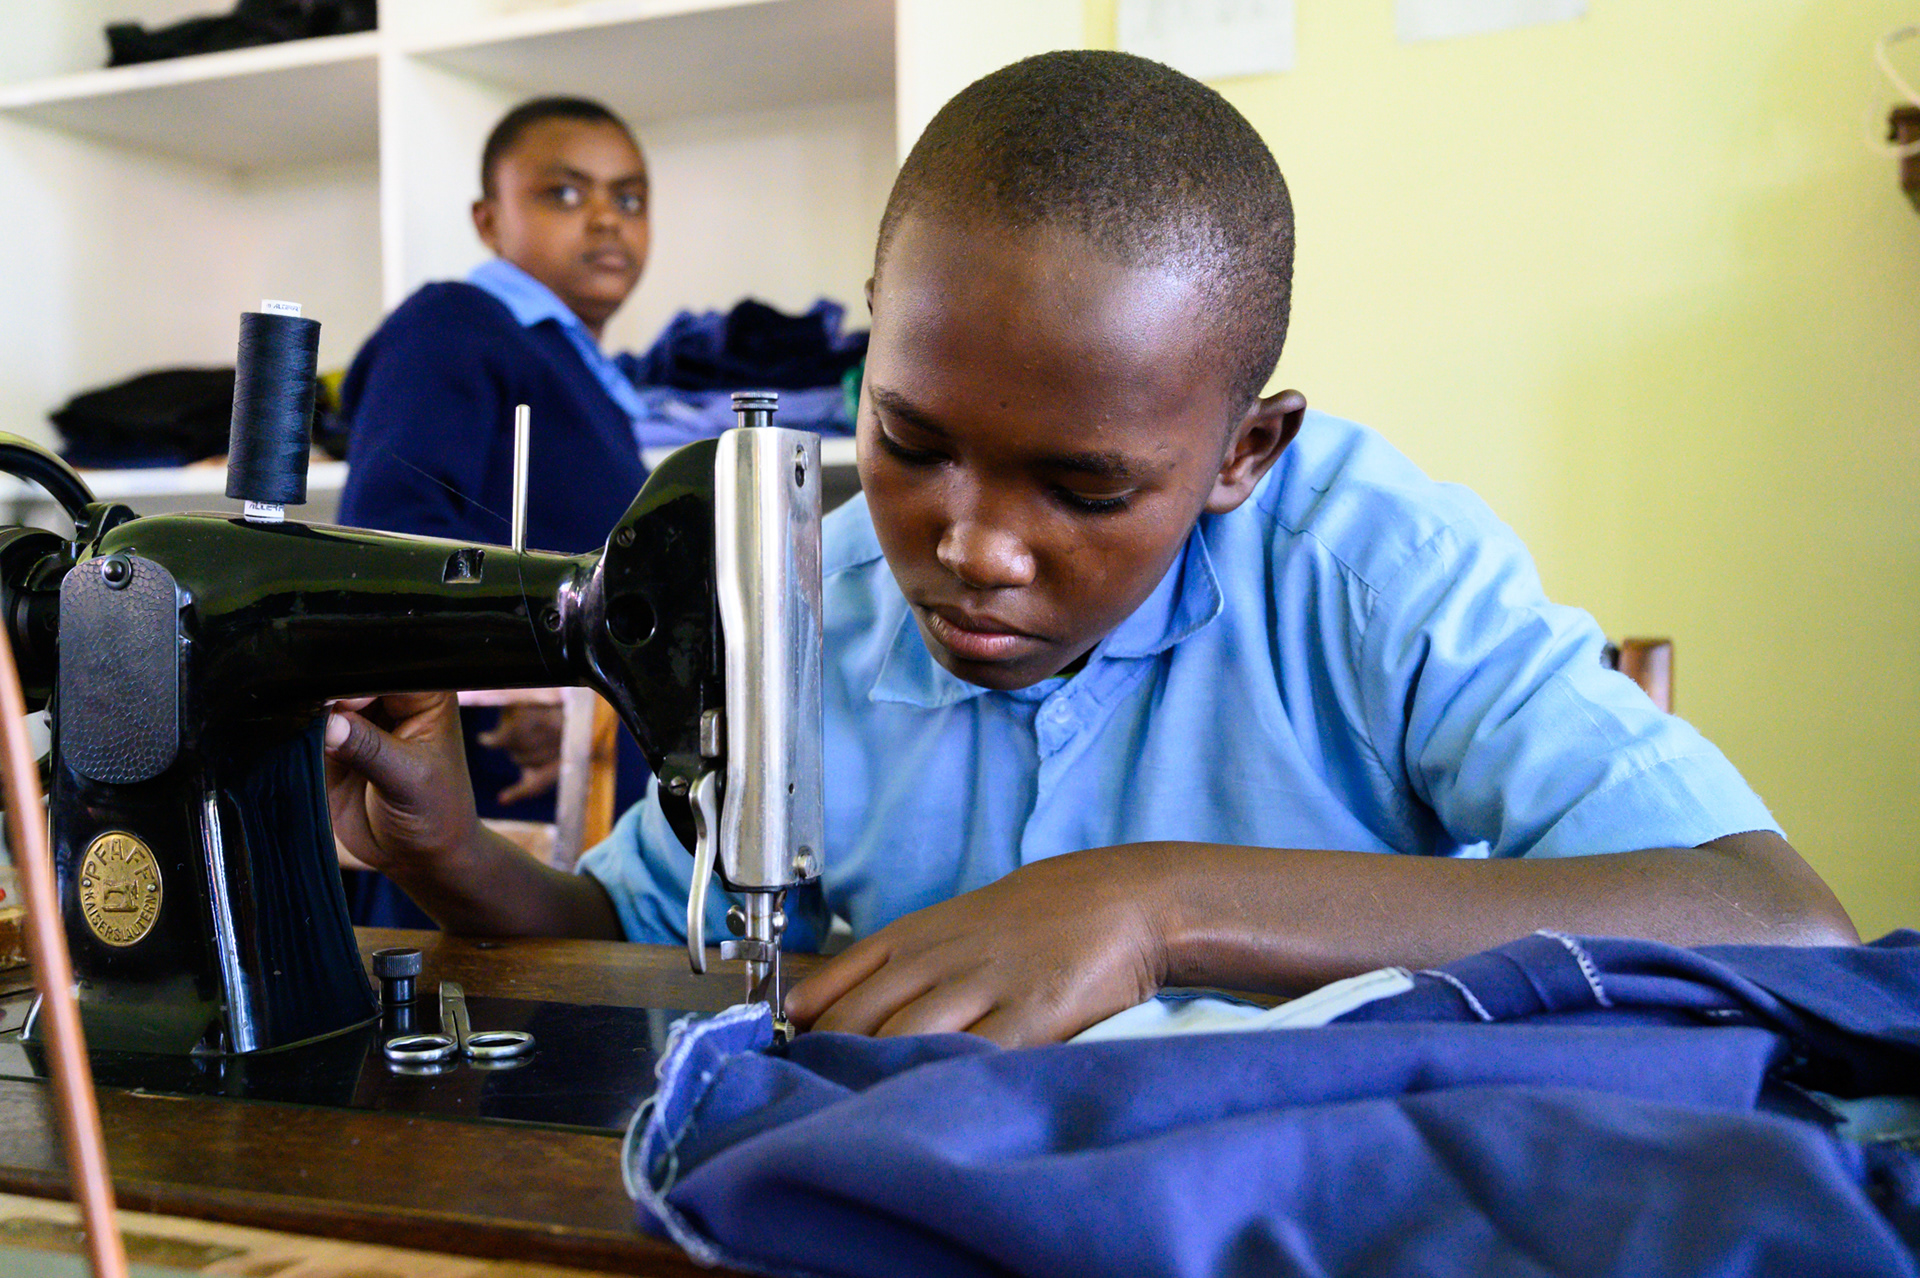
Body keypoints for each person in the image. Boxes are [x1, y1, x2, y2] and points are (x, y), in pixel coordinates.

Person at [324, 51, 1857, 1043]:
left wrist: (1153, 902)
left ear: (1245, 452)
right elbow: (628, 928)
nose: (973, 546)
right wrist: (454, 853)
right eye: (911, 444)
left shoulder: (1374, 574)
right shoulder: (818, 599)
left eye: (1085, 486)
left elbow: (1777, 917)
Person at [333, 96, 655, 923]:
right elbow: (389, 536)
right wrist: (526, 691)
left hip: (564, 781)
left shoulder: (577, 369)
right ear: (488, 219)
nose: (607, 221)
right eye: (564, 194)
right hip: (475, 781)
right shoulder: (452, 327)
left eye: (629, 198)